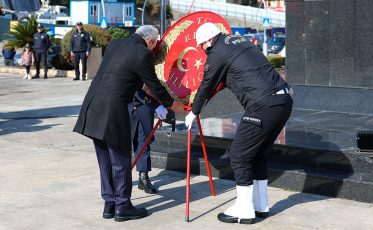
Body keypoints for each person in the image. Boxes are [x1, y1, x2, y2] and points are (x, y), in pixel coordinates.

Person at [185, 22, 293, 224]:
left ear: (209, 40)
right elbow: (233, 76)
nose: (202, 50)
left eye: (202, 46)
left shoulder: (217, 51)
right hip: (283, 100)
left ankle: (244, 209)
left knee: (238, 155)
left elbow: (207, 84)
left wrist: (194, 111)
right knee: (257, 153)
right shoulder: (238, 41)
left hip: (264, 104)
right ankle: (261, 206)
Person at [73, 25, 184, 222]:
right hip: (112, 110)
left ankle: (109, 204)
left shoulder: (115, 45)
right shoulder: (142, 54)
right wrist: (172, 104)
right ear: (150, 41)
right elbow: (154, 85)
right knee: (120, 159)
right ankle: (123, 206)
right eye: (155, 44)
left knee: (104, 158)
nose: (155, 48)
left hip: (92, 106)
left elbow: (124, 75)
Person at [128, 89, 167, 194]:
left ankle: (143, 175)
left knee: (144, 140)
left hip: (145, 104)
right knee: (124, 142)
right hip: (125, 102)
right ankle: (121, 177)